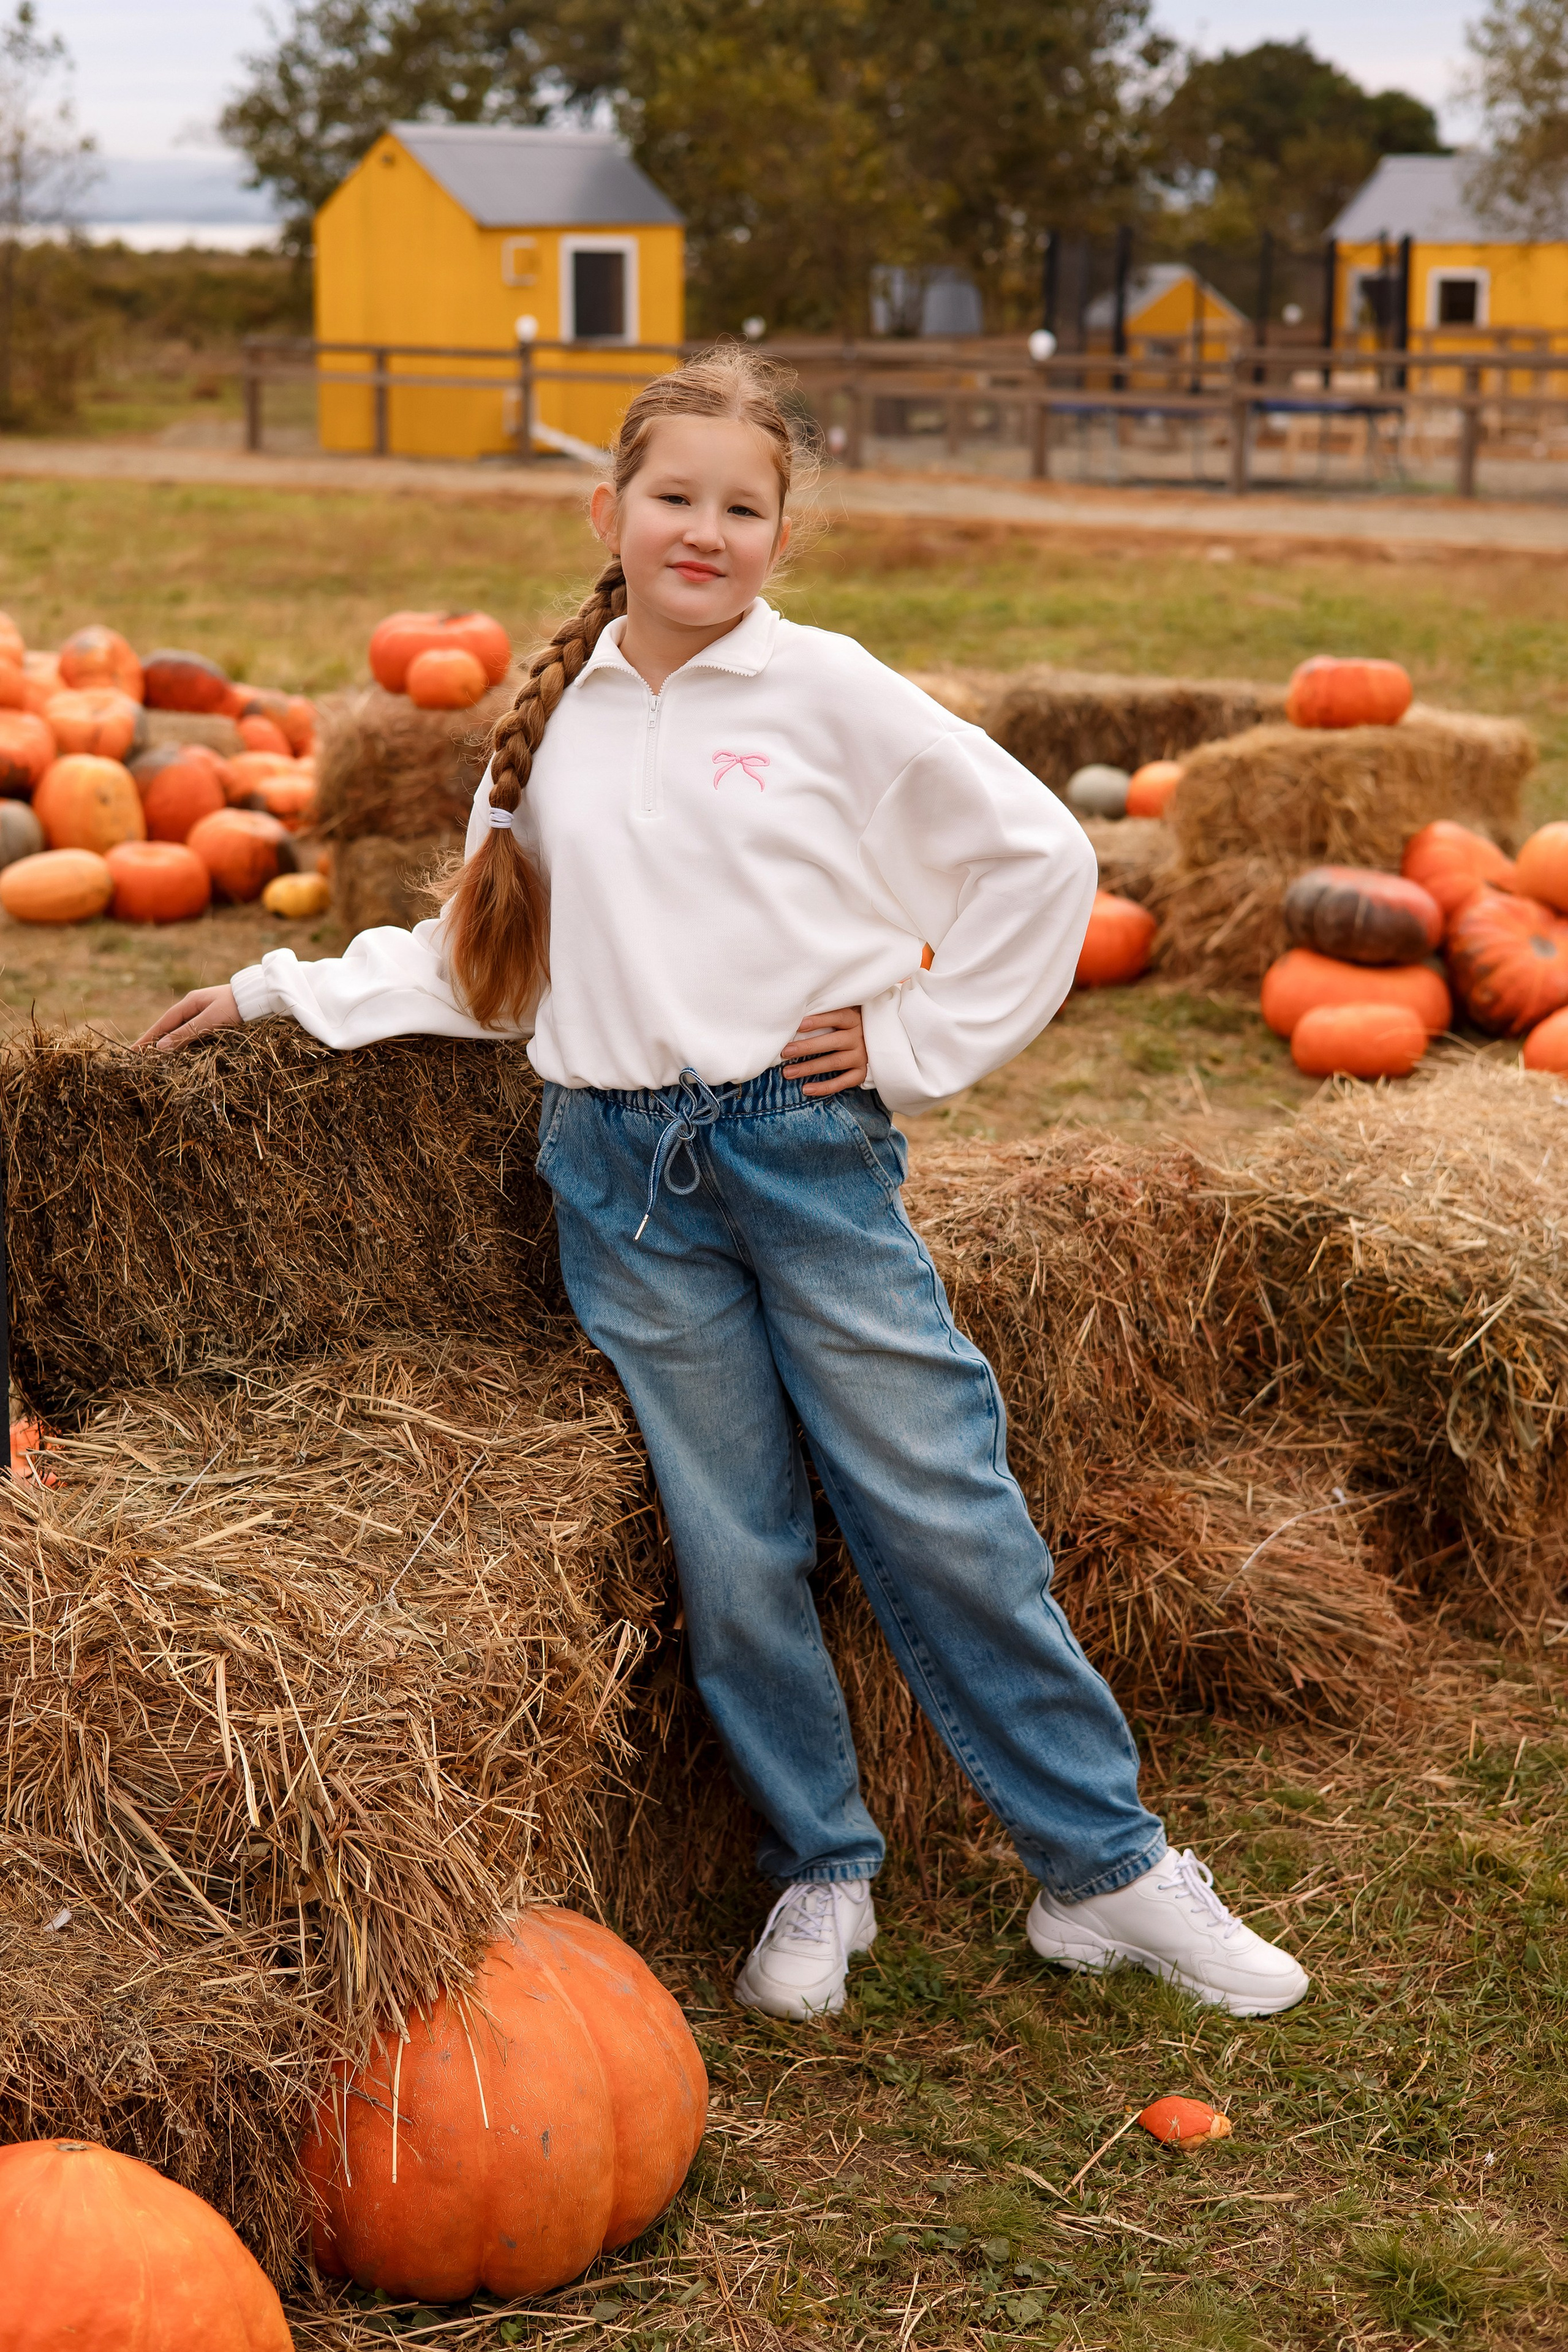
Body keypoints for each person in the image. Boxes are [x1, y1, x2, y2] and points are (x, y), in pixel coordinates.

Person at [138, 350, 1309, 2025]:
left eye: (741, 507)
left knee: (940, 1503)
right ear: (607, 512)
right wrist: (279, 995)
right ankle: (820, 1866)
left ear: (781, 533)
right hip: (620, 1180)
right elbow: (485, 965)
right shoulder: (546, 731)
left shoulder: (825, 690)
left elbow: (1042, 858)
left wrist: (912, 1043)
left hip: (797, 1148)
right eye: (674, 498)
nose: (706, 530)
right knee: (731, 1539)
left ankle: (1105, 1869)